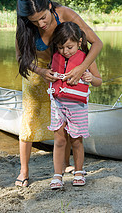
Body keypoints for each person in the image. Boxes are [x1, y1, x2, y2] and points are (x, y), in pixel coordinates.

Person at [15, 0, 103, 187]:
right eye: (34, 21)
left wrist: (81, 69)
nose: (41, 24)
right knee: (30, 119)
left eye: (43, 18)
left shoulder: (65, 14)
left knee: (65, 124)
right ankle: (24, 170)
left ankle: (65, 165)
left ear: (49, 6)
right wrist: (40, 71)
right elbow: (21, 58)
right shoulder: (25, 25)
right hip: (38, 72)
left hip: (65, 72)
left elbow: (96, 43)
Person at [47, 22, 102, 189]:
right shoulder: (55, 57)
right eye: (61, 47)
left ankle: (78, 172)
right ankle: (58, 175)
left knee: (76, 141)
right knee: (59, 140)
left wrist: (90, 79)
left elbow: (99, 81)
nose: (65, 51)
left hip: (77, 106)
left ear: (79, 42)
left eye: (69, 47)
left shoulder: (86, 58)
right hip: (58, 104)